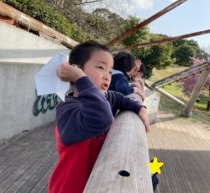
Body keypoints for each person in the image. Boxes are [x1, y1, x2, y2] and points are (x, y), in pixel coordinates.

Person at [48, 41, 150, 193]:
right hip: (69, 187)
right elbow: (102, 118)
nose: (107, 77)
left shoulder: (104, 98)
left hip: (96, 182)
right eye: (101, 67)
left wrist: (139, 107)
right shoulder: (67, 109)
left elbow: (117, 97)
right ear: (76, 70)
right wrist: (80, 78)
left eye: (110, 71)